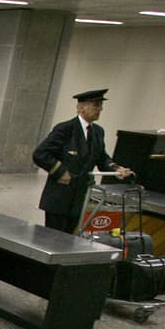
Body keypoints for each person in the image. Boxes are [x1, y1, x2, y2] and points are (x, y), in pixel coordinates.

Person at [33, 88, 133, 233]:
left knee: (69, 238)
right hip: (60, 196)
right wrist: (60, 171)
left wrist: (116, 168)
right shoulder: (65, 129)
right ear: (81, 107)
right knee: (53, 239)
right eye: (96, 105)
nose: (100, 109)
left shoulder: (98, 132)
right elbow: (40, 154)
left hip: (80, 197)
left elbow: (102, 158)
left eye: (100, 106)